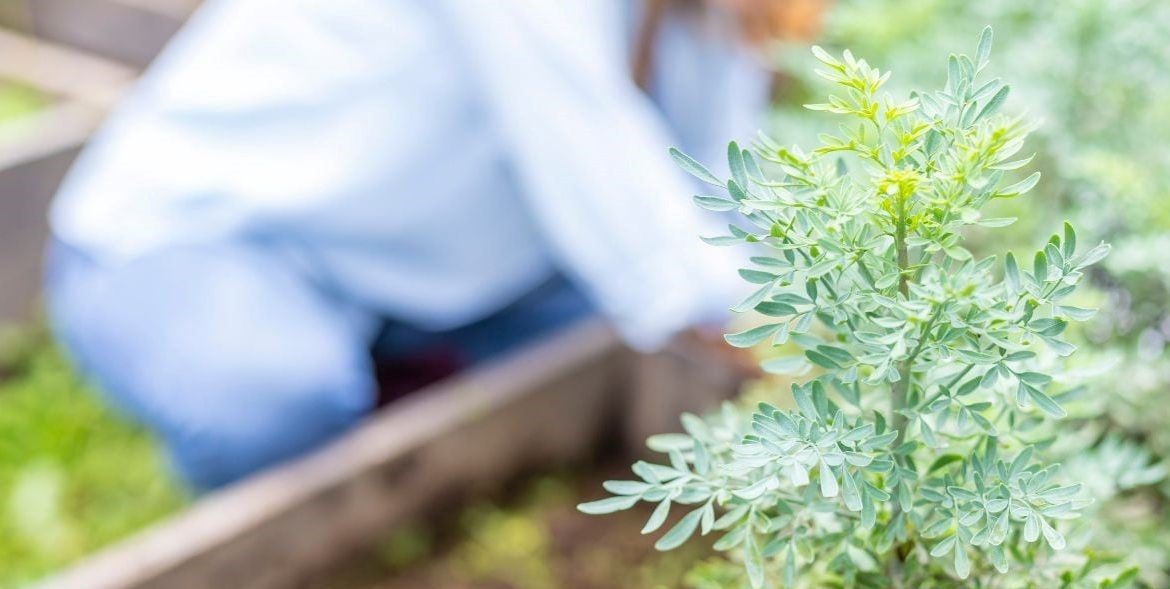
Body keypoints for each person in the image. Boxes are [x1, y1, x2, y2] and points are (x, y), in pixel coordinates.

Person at [45, 0, 820, 490]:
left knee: (592, 344)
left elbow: (716, 179)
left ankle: (383, 383)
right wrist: (775, 340)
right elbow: (576, 130)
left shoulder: (716, 10)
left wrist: (800, 301)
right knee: (282, 406)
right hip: (209, 237)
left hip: (415, 269)